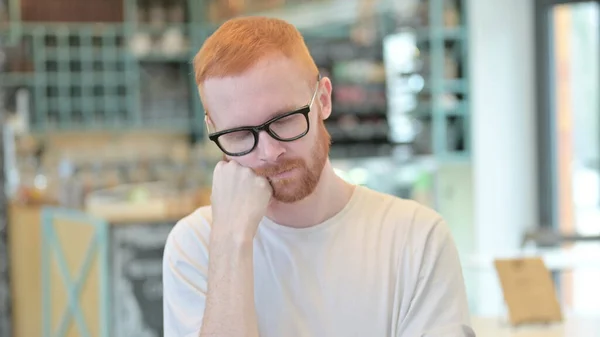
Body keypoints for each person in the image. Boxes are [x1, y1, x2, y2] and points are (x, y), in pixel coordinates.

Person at [162, 16, 475, 337]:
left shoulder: (416, 238)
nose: (269, 152)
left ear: (323, 100)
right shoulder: (196, 245)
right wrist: (230, 243)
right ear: (214, 131)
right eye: (240, 134)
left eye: (283, 120)